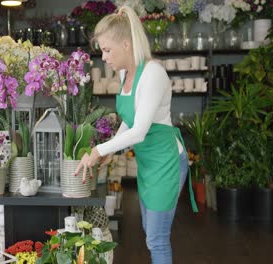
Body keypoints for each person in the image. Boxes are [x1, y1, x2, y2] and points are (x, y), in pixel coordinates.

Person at [74, 5, 198, 264]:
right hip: (148, 163)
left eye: (107, 50)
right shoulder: (125, 73)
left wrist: (99, 150)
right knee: (149, 231)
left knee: (157, 238)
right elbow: (130, 121)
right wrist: (111, 149)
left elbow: (140, 131)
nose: (104, 57)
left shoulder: (152, 73)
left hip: (166, 162)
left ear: (127, 45)